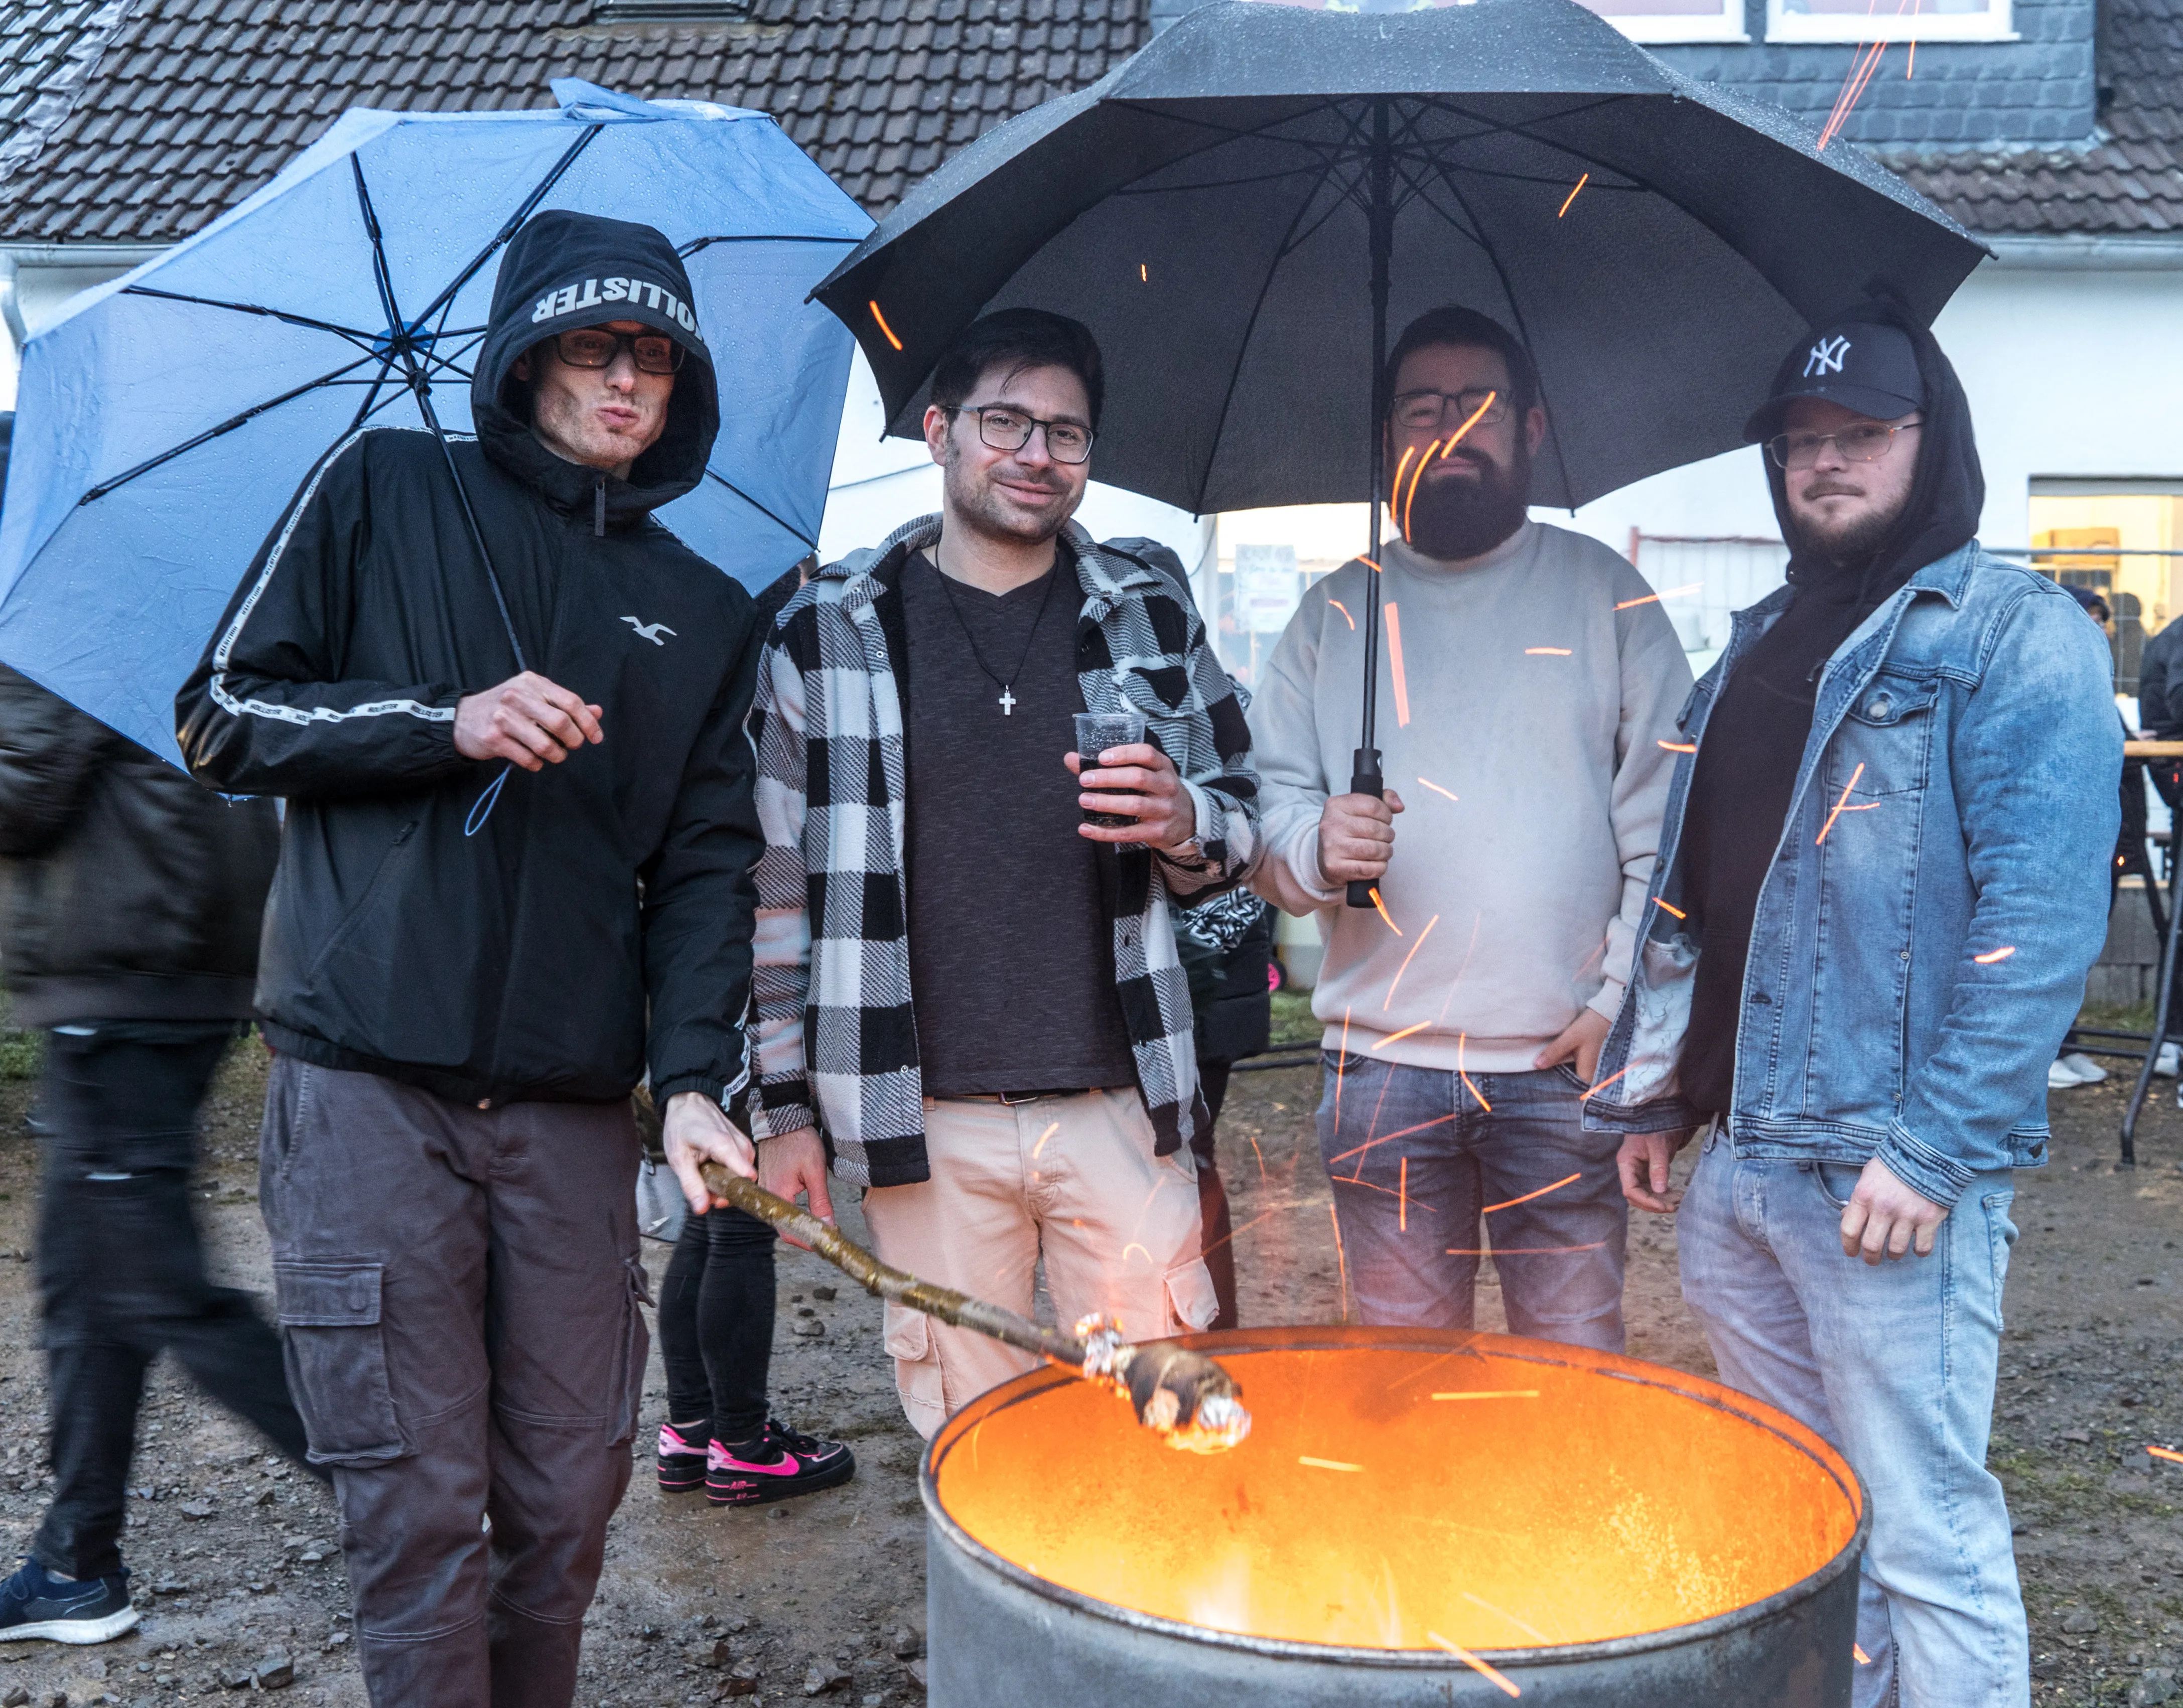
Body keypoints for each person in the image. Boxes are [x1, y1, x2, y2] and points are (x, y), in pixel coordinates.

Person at [174, 211, 765, 1708]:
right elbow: (225, 710)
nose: (626, 379)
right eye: (592, 345)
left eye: (655, 355)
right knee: (418, 1507)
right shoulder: (385, 487)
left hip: (570, 1106)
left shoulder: (698, 605)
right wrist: (445, 719)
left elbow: (703, 864)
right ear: (522, 360)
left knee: (569, 1495)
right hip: (369, 1085)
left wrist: (693, 1079)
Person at [1594, 308, 2118, 1708]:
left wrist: (1934, 1146)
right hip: (1746, 1162)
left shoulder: (2012, 633)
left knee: (1923, 1535)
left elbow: (2040, 924)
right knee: (1810, 1518)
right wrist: (1664, 1092)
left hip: (1884, 1177)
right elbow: (1711, 896)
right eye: (1798, 442)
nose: (1820, 464)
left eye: (1858, 436)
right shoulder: (1762, 639)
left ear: (1926, 441)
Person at [747, 308, 1259, 1436]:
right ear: (939, 433)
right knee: (975, 1445)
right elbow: (776, 893)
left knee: (1162, 1428)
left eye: (1066, 434)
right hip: (921, 1118)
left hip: (1122, 1104)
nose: (1037, 454)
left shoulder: (1148, 606)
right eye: (1006, 422)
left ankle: (1142, 1619)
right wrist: (782, 1105)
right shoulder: (828, 633)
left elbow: (1241, 826)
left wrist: (1183, 820)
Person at [1247, 305, 1691, 1349]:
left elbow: (1671, 842)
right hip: (1380, 1067)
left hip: (1561, 1063)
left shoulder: (1609, 600)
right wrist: (1318, 845)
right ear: (1389, 437)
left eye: (1478, 405)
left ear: (1531, 426)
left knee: (1571, 1374)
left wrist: (1623, 1002)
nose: (1449, 430)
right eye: (1421, 408)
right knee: (1402, 1386)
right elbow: (1263, 822)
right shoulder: (1333, 617)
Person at [0, 652, 314, 1646]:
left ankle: (405, 1478)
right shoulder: (154, 587)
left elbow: (23, 792)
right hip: (154, 964)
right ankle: (75, 1563)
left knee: (157, 1287)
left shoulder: (59, 615)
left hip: (128, 972)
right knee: (86, 1288)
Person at [652, 559, 854, 1507]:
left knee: (712, 1207)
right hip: (736, 953)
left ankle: (691, 1427)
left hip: (689, 958)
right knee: (740, 1222)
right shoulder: (767, 642)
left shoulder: (692, 637)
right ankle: (742, 1438)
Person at [1174, 883, 1275, 1330]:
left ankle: (1213, 1328)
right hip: (1197, 974)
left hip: (1207, 987)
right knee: (1187, 1154)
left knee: (1191, 1154)